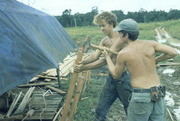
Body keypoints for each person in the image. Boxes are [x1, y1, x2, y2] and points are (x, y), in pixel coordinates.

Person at [102, 18, 178, 121]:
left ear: (126, 35)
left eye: (120, 33)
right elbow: (172, 52)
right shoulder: (151, 44)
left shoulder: (123, 53)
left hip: (141, 97)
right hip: (158, 93)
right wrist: (156, 60)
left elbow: (116, 75)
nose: (119, 36)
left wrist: (107, 57)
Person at [74, 12, 132, 120]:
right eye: (99, 26)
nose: (101, 28)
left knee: (131, 111)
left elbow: (104, 61)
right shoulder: (104, 40)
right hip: (111, 80)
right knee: (100, 111)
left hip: (123, 80)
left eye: (103, 25)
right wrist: (81, 62)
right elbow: (95, 56)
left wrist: (83, 68)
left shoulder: (121, 39)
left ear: (111, 24)